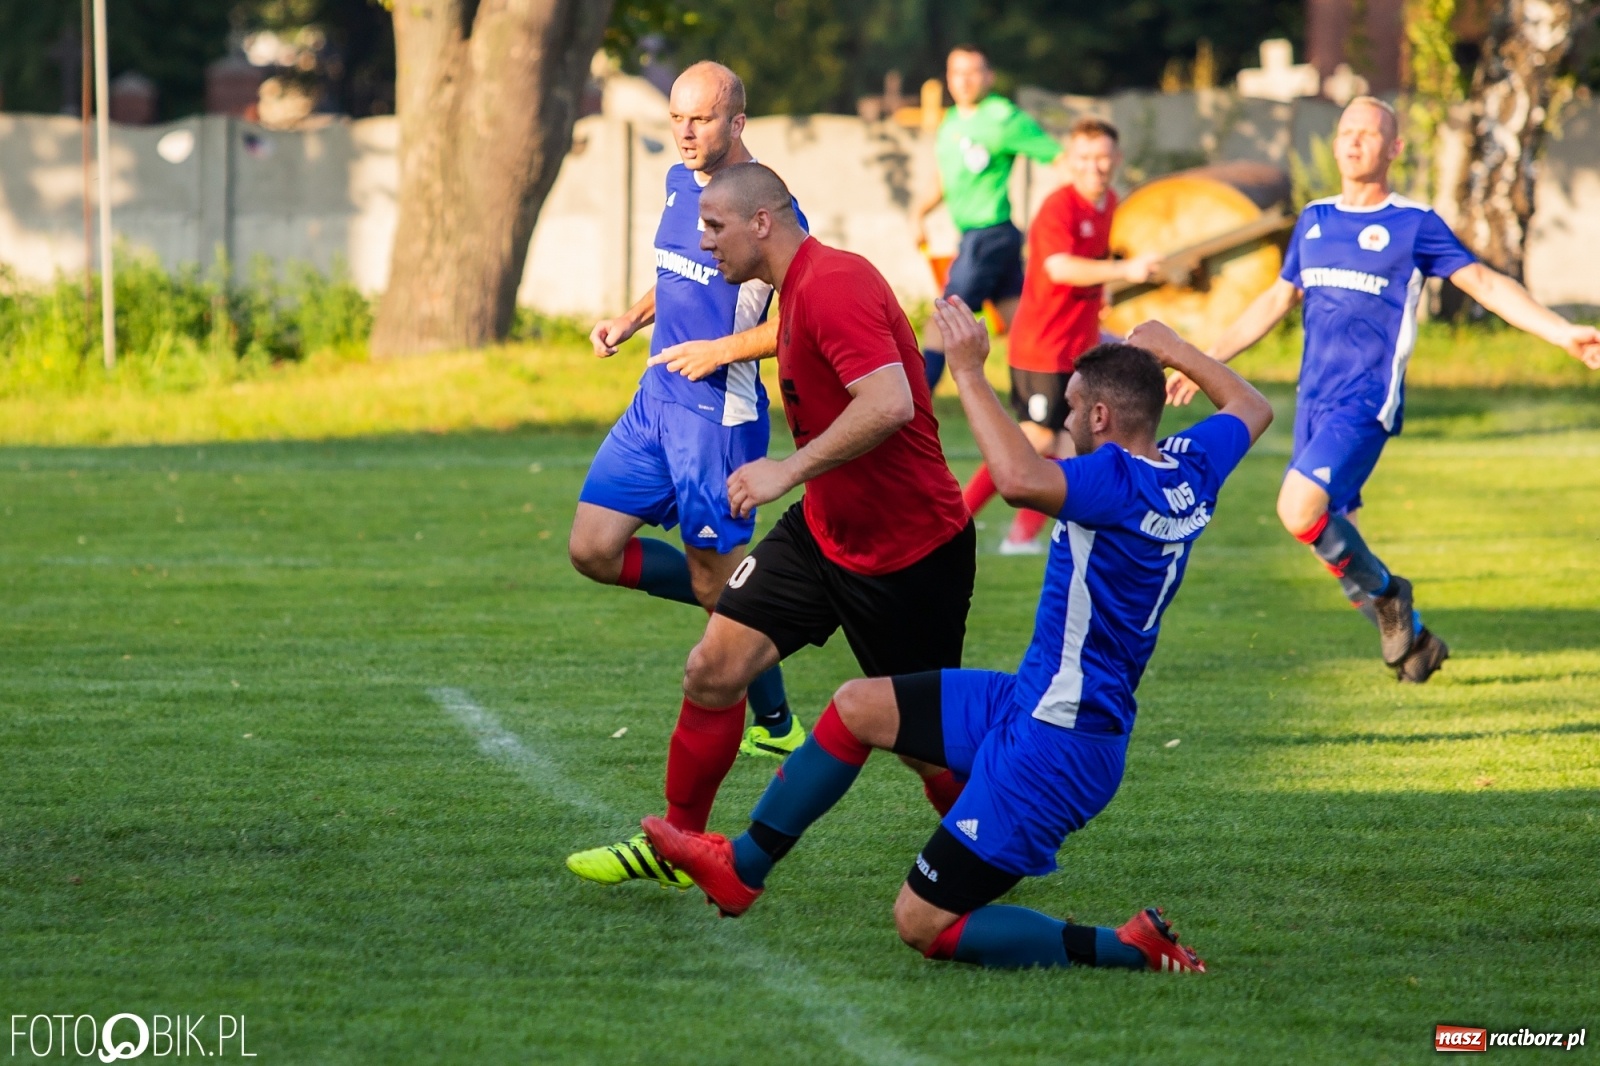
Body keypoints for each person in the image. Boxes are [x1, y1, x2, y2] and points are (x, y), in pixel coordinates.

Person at [643, 307, 1273, 974]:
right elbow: (1252, 407)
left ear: (1099, 420)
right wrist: (1174, 349)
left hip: (1060, 743)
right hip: (1031, 700)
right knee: (858, 706)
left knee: (922, 924)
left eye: (1070, 409)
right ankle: (741, 868)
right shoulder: (1188, 467)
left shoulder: (1114, 480)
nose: (1061, 423)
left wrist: (968, 371)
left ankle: (1126, 948)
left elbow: (1018, 480)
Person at [568, 163, 978, 891]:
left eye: (715, 228)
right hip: (823, 534)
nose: (704, 244)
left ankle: (997, 833)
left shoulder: (834, 283)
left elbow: (888, 403)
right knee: (713, 668)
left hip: (907, 554)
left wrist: (786, 470)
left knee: (925, 750)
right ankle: (678, 845)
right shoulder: (792, 293)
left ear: (763, 223)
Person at [1166, 95, 1600, 682]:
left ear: (1393, 148)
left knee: (1297, 509)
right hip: (1314, 402)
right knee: (1320, 532)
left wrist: (1560, 333)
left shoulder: (1413, 224)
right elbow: (1275, 300)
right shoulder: (1314, 219)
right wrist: (1202, 360)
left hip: (1365, 401)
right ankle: (1414, 638)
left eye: (1368, 133)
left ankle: (1390, 596)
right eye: (1346, 131)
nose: (1352, 141)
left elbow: (1485, 285)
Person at [568, 62, 804, 847]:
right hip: (653, 402)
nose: (686, 133)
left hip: (717, 419)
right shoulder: (679, 180)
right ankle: (743, 625)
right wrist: (633, 319)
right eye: (676, 119)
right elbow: (673, 272)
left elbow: (800, 321)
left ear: (738, 120)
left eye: (701, 120)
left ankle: (772, 717)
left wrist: (722, 350)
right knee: (593, 548)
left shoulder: (771, 207)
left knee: (716, 588)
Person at [963, 116, 1162, 555]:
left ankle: (1026, 536)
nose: (1095, 167)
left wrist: (1106, 298)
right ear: (1070, 162)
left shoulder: (1111, 205)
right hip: (1041, 350)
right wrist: (1123, 272)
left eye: (1103, 158)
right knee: (1038, 442)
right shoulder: (1059, 207)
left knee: (1071, 443)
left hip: (1077, 350)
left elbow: (1094, 269)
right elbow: (1059, 267)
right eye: (1085, 159)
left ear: (1117, 160)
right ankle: (958, 518)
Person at [913, 45, 1063, 392]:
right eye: (956, 73)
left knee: (941, 321)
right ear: (948, 79)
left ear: (989, 77)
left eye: (973, 72)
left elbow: (1059, 158)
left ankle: (913, 410)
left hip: (988, 235)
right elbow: (943, 179)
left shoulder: (1003, 118)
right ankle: (1039, 400)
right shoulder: (950, 122)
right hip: (983, 237)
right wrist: (918, 213)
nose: (964, 81)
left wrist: (1063, 216)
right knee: (1021, 325)